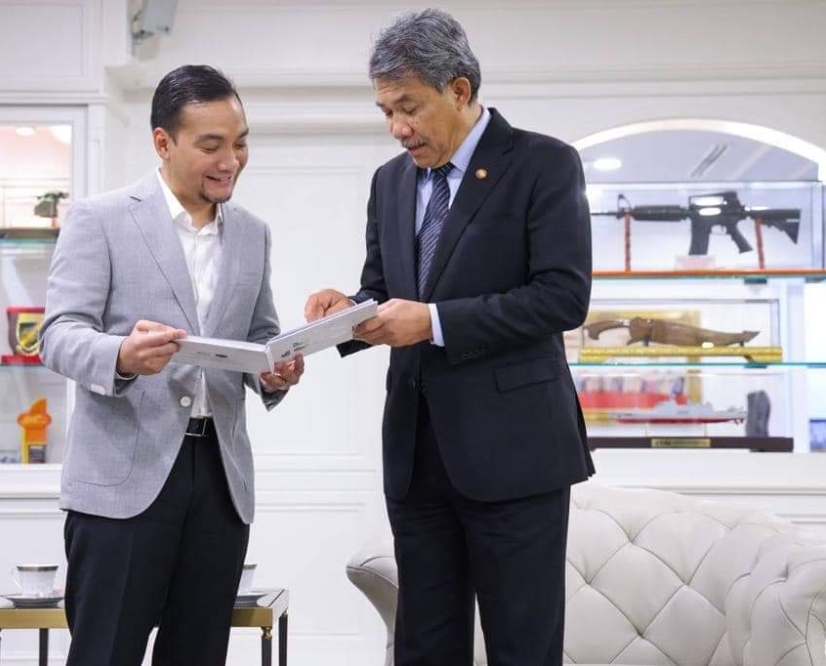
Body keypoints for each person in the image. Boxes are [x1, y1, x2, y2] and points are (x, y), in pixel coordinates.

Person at [304, 9, 593, 665]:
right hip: (416, 455)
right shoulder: (390, 181)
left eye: (409, 107)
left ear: (459, 90)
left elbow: (563, 296)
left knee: (522, 646)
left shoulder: (545, 164)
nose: (397, 128)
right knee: (425, 647)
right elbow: (383, 288)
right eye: (385, 111)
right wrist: (344, 311)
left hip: (517, 455)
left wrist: (433, 323)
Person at [40, 64, 303, 666]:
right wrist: (121, 357)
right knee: (105, 653)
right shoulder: (100, 218)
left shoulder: (252, 234)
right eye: (211, 146)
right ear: (163, 143)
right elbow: (57, 335)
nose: (230, 161)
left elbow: (260, 335)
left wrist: (273, 371)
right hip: (122, 484)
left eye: (239, 144)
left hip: (218, 481)